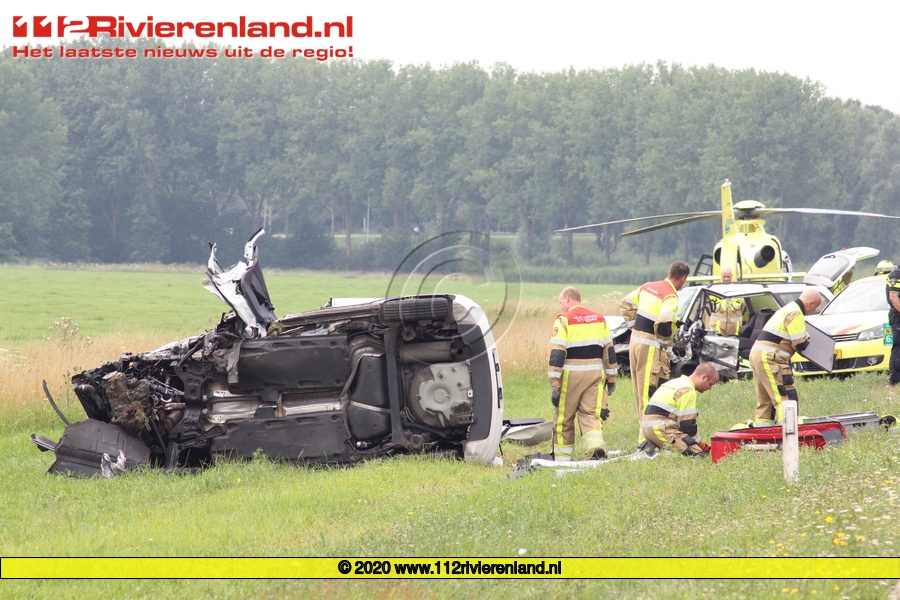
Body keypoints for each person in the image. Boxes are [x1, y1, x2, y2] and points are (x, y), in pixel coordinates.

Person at [548, 286, 618, 461]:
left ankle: (562, 459)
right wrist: (612, 378)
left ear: (567, 299)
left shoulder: (564, 320)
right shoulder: (599, 319)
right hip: (595, 374)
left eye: (560, 302)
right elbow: (609, 352)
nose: (560, 306)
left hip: (571, 376)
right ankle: (595, 447)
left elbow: (557, 352)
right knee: (591, 415)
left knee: (564, 418)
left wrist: (554, 381)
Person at [627, 261, 691, 445]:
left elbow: (626, 304)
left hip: (635, 343)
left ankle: (644, 436)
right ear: (683, 278)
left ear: (669, 272)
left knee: (639, 391)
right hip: (651, 348)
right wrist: (664, 346)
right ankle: (645, 440)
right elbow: (663, 323)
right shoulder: (670, 295)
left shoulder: (648, 286)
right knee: (649, 392)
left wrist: (635, 329)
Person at [748, 289, 822, 425]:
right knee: (786, 397)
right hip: (771, 357)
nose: (814, 310)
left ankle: (763, 432)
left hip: (757, 354)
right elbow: (800, 344)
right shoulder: (796, 313)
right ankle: (789, 432)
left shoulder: (786, 309)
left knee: (765, 401)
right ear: (811, 303)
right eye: (815, 307)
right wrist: (807, 336)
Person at [640, 362, 719, 457]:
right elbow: (687, 426)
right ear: (704, 377)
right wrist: (702, 445)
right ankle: (660, 455)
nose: (710, 388)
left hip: (647, 430)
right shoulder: (687, 389)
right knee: (698, 456)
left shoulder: (675, 382)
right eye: (710, 384)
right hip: (661, 430)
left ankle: (653, 451)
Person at [707, 266, 744, 336]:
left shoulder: (738, 288)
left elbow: (742, 307)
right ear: (721, 276)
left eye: (728, 276)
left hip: (734, 329)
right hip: (718, 329)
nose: (726, 279)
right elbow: (710, 307)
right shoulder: (715, 288)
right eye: (724, 276)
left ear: (732, 276)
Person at [886, 265, 900, 386]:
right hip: (898, 315)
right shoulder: (896, 274)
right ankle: (895, 381)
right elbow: (893, 297)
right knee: (898, 347)